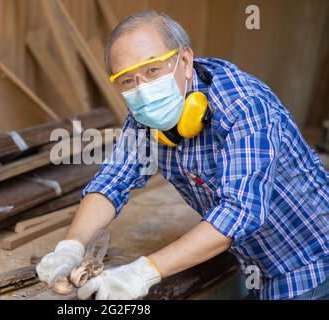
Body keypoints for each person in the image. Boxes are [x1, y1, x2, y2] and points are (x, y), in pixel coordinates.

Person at [36, 11, 328, 300]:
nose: (143, 90)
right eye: (127, 81)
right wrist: (71, 246)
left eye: (152, 70)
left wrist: (142, 272)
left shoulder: (244, 106)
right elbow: (114, 179)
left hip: (312, 264)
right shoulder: (147, 114)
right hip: (258, 264)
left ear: (185, 61)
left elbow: (239, 211)